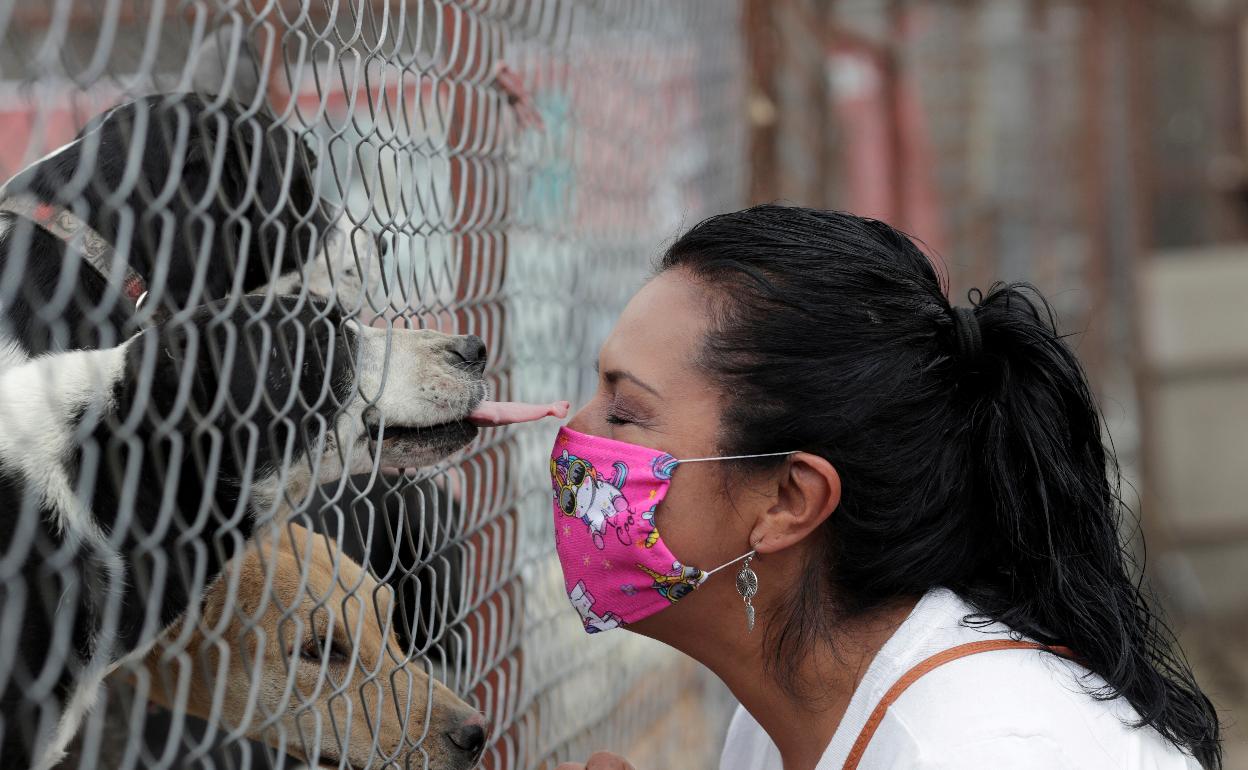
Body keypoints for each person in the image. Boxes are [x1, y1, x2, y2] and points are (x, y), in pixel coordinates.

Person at [548, 205, 1222, 770]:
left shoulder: (984, 752)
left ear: (788, 500)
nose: (572, 433)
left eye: (624, 411)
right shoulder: (784, 719)